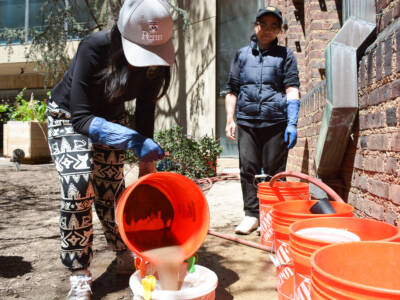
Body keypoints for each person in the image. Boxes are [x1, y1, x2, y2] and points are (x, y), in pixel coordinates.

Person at [46, 0, 175, 298]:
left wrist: (145, 160)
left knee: (111, 189)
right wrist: (132, 140)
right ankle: (79, 272)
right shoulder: (94, 46)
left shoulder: (156, 55)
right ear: (122, 36)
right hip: (68, 116)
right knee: (79, 185)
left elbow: (145, 110)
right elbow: (80, 118)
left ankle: (122, 251)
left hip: (110, 118)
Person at [225, 6, 300, 235]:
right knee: (248, 169)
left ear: (279, 30)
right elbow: (232, 90)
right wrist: (230, 119)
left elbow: (292, 89)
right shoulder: (241, 55)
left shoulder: (286, 56)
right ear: (255, 25)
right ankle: (252, 216)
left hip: (276, 122)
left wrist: (292, 122)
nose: (267, 30)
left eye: (273, 26)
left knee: (275, 172)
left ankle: (272, 216)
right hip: (247, 122)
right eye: (263, 24)